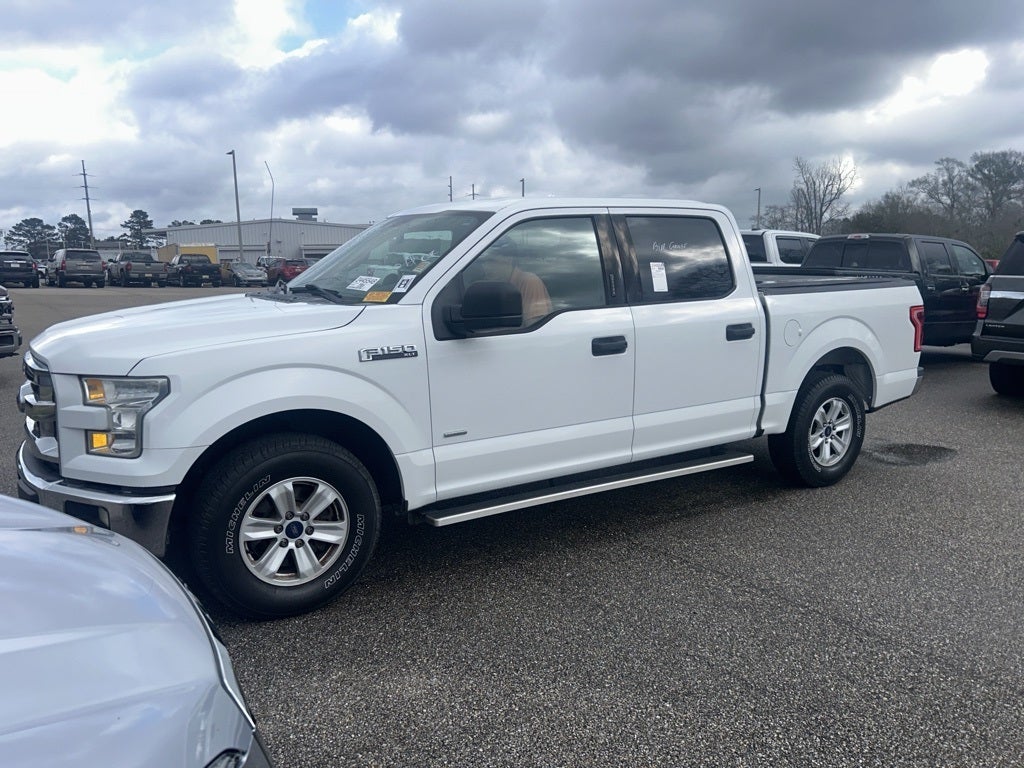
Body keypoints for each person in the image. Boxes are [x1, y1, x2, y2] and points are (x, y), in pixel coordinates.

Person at [478, 238, 552, 326]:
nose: (486, 267)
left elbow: (535, 327)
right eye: (483, 262)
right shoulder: (488, 284)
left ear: (509, 259)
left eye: (491, 261)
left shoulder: (529, 282)